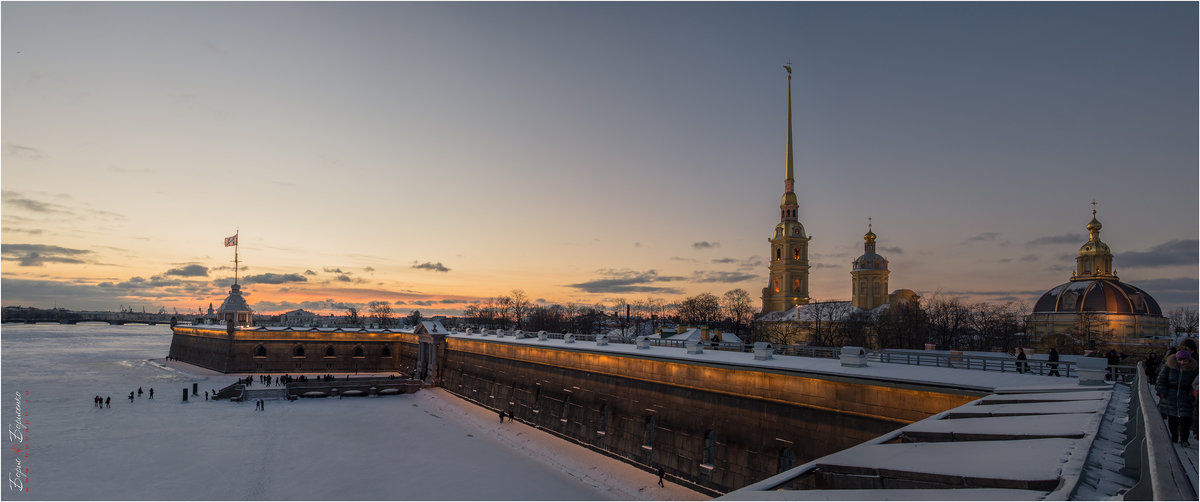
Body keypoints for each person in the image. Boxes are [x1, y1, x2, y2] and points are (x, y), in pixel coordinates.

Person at [1155, 347, 1197, 446]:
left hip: (1185, 397)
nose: (1182, 362)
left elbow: (1195, 384)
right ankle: (1174, 436)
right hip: (1171, 396)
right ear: (1176, 360)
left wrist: (1191, 395)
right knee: (1172, 419)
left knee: (1184, 420)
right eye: (1180, 360)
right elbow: (1161, 380)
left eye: (1185, 360)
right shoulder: (1169, 368)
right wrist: (1164, 392)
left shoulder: (1193, 370)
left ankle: (1184, 440)